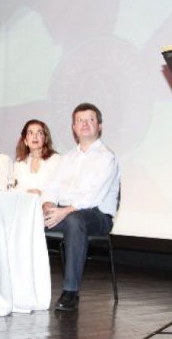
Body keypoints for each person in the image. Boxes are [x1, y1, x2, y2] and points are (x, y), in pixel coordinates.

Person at [41, 103, 120, 311]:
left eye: (90, 120)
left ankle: (71, 291)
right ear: (73, 128)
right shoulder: (67, 158)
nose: (85, 124)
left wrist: (64, 211)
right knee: (25, 218)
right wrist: (49, 205)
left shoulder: (107, 157)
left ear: (99, 126)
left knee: (75, 220)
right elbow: (52, 186)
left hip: (97, 216)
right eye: (80, 121)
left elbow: (93, 196)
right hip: (62, 212)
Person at [13, 119, 61, 194]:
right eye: (30, 133)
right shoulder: (19, 163)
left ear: (45, 139)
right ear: (25, 141)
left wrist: (42, 194)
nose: (35, 136)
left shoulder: (55, 159)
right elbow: (13, 189)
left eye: (39, 133)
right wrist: (27, 193)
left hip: (47, 204)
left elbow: (60, 187)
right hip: (24, 203)